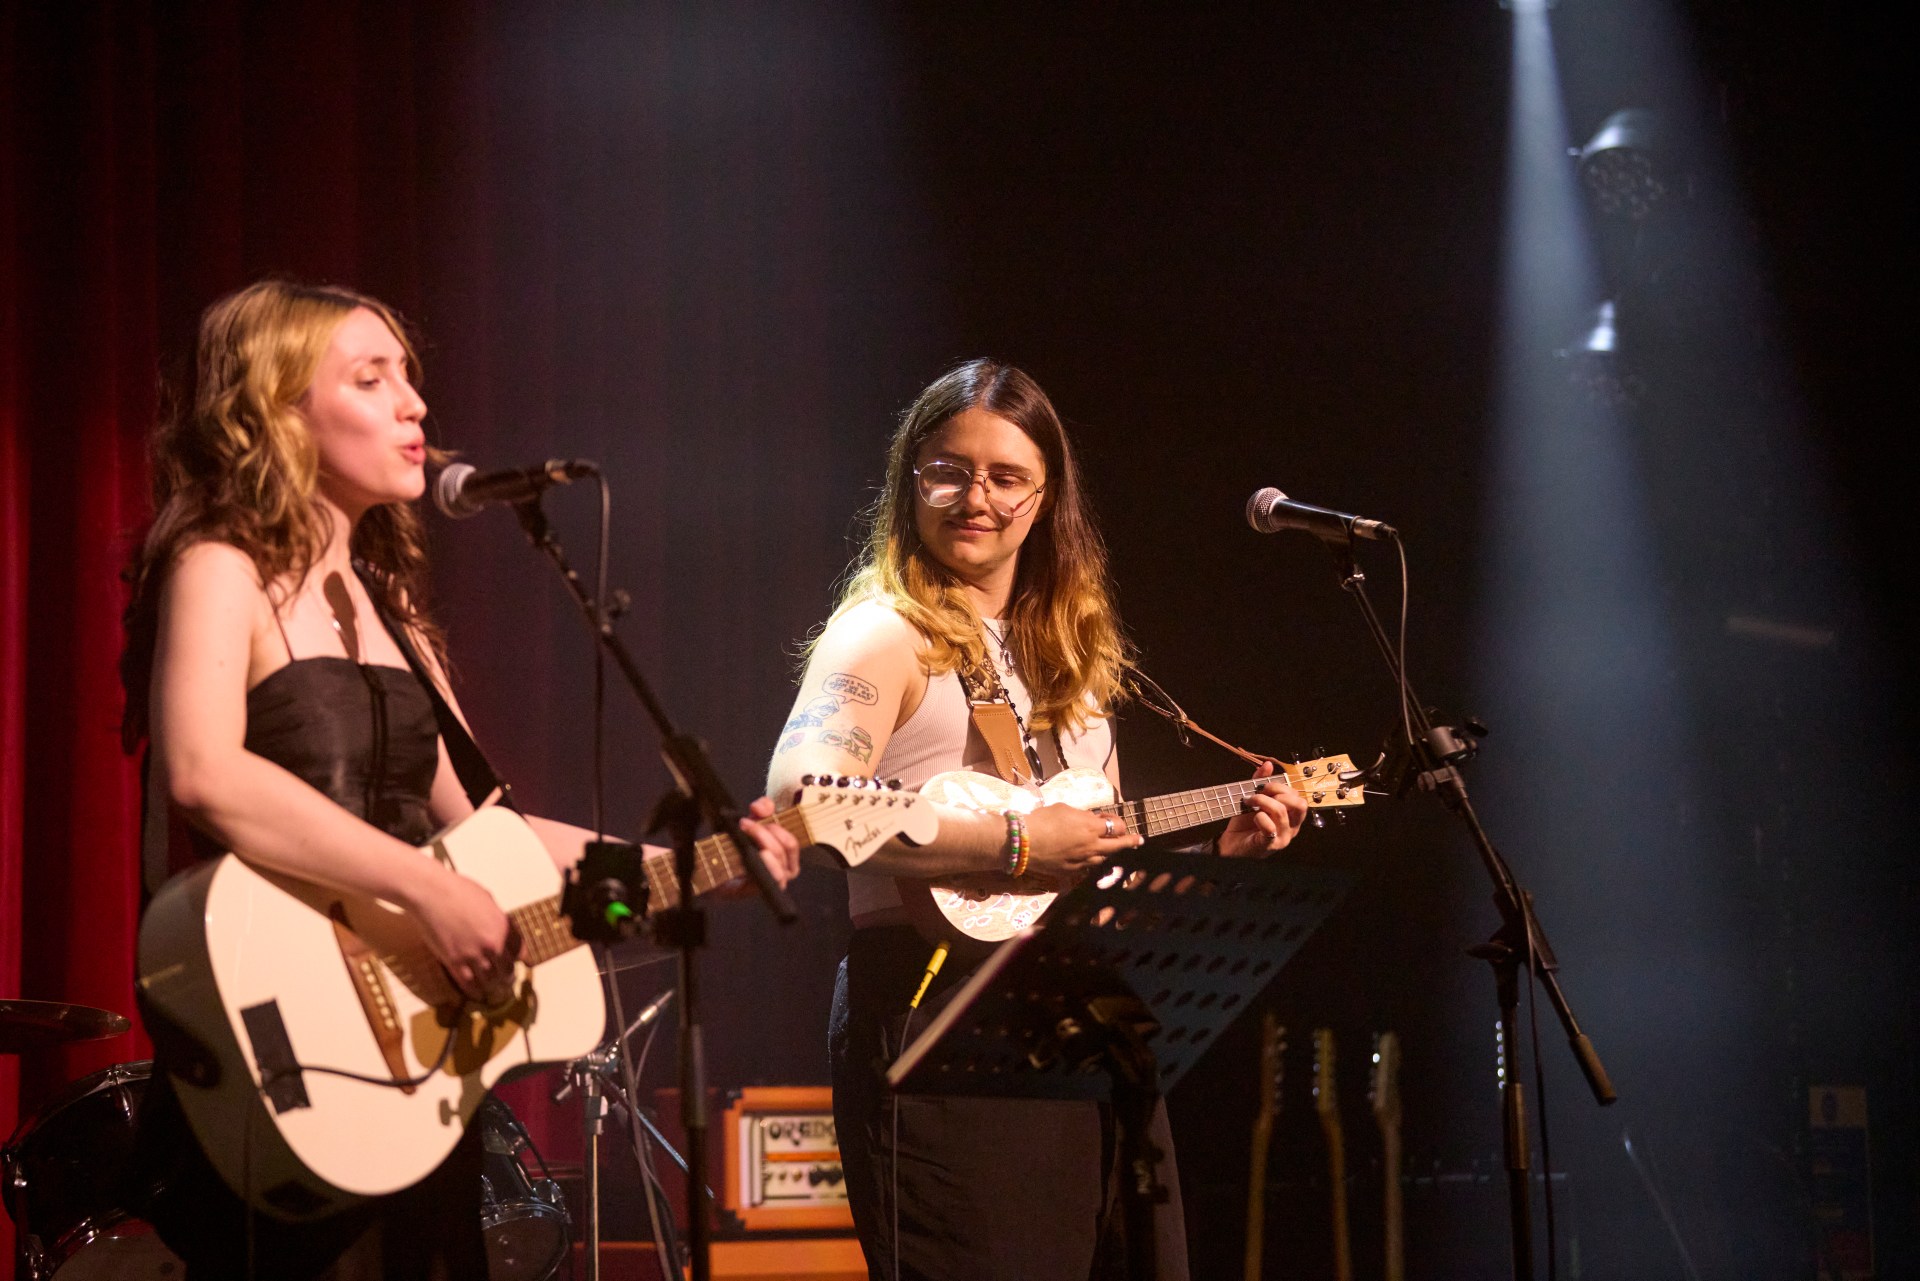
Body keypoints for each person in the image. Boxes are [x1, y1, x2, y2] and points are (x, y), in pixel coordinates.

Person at [119, 278, 802, 1280]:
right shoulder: (221, 567)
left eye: (412, 377)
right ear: (277, 408)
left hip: (415, 1082)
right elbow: (204, 772)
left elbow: (495, 834)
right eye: (372, 377)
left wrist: (695, 867)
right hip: (290, 1047)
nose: (415, 407)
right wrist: (428, 889)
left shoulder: (389, 605)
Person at [766, 359, 1310, 1281]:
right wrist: (1014, 842)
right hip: (935, 1019)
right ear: (911, 482)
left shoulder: (1075, 660)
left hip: (1080, 1024)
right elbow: (803, 802)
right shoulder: (883, 633)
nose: (975, 496)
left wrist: (1225, 853)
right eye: (948, 469)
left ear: (1047, 496)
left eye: (1007, 476)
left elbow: (1089, 875)